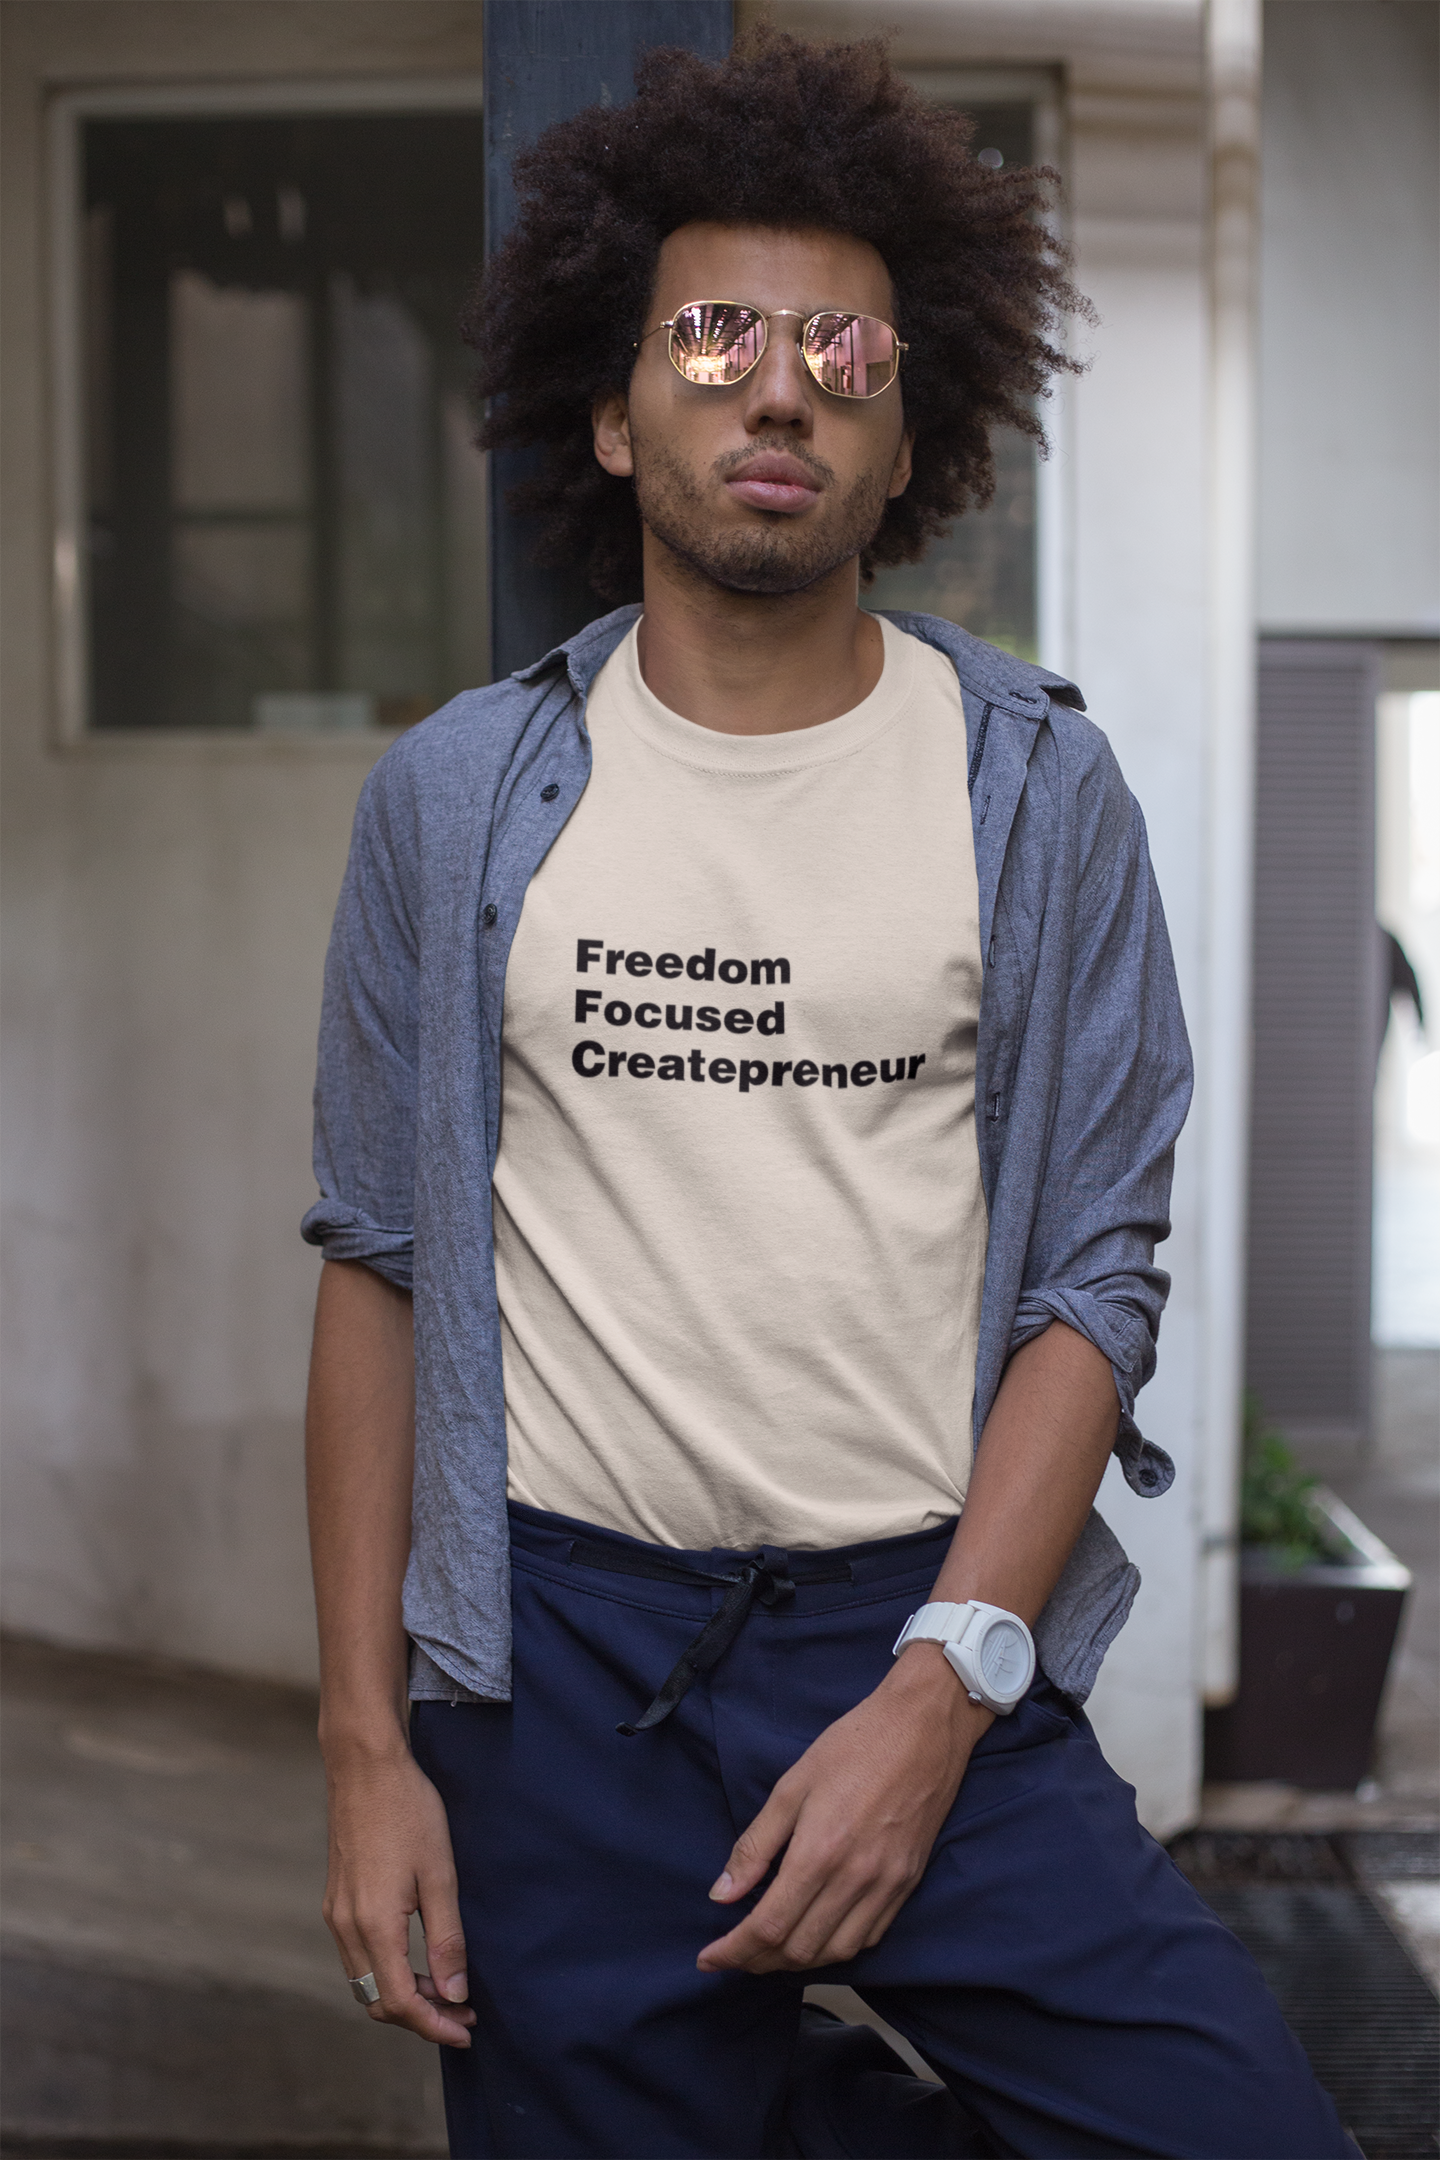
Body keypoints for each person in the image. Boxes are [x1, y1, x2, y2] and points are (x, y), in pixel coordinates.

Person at [302, 31, 1360, 2160]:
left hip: (920, 1628)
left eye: (840, 353)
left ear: (909, 442)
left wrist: (944, 1682)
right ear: (612, 414)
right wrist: (363, 1744)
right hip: (554, 1670)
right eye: (710, 336)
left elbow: (1093, 1278)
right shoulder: (450, 804)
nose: (775, 387)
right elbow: (377, 1264)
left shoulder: (1036, 791)